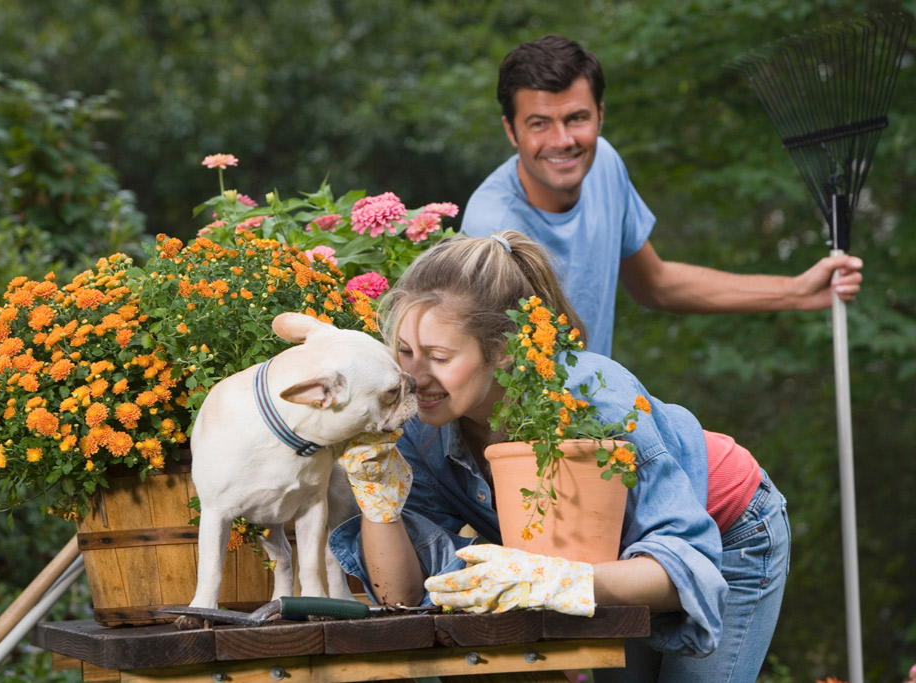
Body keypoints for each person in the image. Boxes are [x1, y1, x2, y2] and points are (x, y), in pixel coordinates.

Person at [329, 231, 790, 683]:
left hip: (728, 530)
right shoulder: (419, 427)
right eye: (405, 353)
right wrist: (378, 501)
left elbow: (682, 572)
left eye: (439, 357)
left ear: (503, 351)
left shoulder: (594, 399)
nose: (414, 376)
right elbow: (405, 595)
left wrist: (558, 581)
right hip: (609, 561)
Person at [460, 34, 864, 357]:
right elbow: (484, 374)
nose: (562, 140)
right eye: (539, 124)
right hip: (524, 438)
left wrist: (796, 291)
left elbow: (656, 285)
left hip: (591, 417)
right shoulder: (491, 229)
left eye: (576, 118)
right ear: (511, 131)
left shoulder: (604, 165)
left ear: (600, 115)